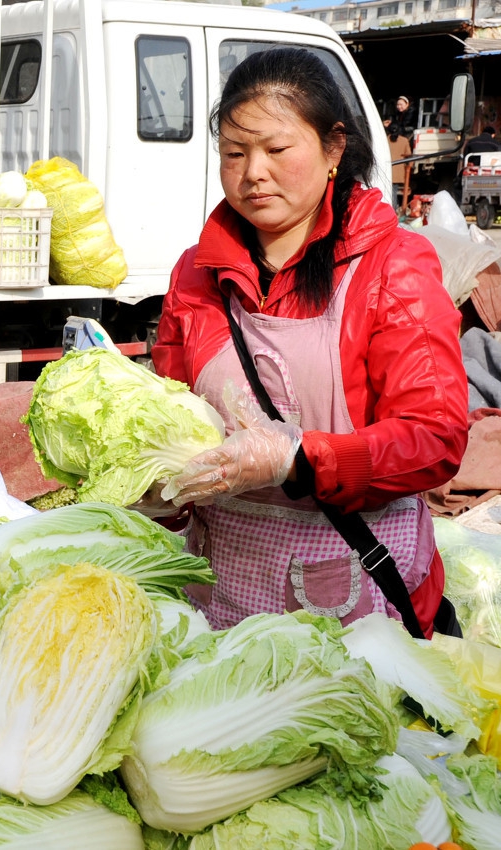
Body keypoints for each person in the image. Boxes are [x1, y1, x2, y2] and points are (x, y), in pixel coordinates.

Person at [152, 48, 468, 637]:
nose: (253, 173)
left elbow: (435, 438)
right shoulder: (194, 275)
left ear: (333, 149)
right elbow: (167, 411)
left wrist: (296, 457)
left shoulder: (394, 267)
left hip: (359, 603)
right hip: (221, 599)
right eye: (234, 153)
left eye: (276, 149)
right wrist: (153, 481)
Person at [387, 130, 412, 214]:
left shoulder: (385, 140)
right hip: (397, 172)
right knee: (393, 192)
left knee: (388, 193)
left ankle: (390, 211)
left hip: (386, 171)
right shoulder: (404, 141)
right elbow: (409, 155)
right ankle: (392, 211)